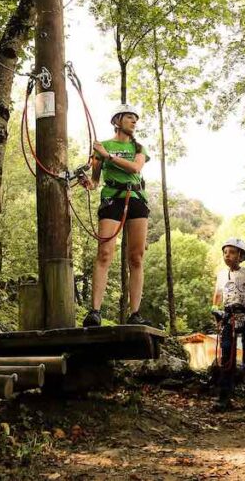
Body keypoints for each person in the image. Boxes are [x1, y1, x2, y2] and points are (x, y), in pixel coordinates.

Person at [82, 104, 152, 327]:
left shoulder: (139, 147)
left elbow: (135, 168)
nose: (134, 121)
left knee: (136, 257)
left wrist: (108, 156)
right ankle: (95, 311)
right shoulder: (102, 147)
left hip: (136, 199)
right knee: (104, 252)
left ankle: (135, 313)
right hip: (112, 198)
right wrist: (89, 182)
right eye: (130, 117)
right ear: (117, 121)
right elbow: (94, 181)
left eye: (135, 118)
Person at [211, 238, 245, 412]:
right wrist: (215, 310)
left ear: (241, 256)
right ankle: (224, 398)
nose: (227, 255)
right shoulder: (221, 275)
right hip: (228, 317)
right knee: (227, 358)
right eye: (225, 252)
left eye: (232, 252)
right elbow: (217, 294)